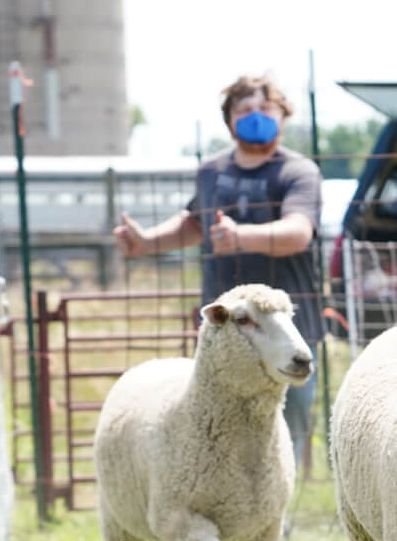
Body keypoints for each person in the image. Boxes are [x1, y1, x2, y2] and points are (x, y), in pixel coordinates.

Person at [112, 74, 325, 472]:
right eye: (245, 110)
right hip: (228, 329)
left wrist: (240, 236)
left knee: (287, 423)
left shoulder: (298, 172)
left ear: (283, 115)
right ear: (229, 120)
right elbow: (195, 223)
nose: (256, 116)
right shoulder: (211, 170)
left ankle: (277, 511)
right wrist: (147, 243)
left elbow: (299, 232)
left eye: (266, 109)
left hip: (289, 327)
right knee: (214, 421)